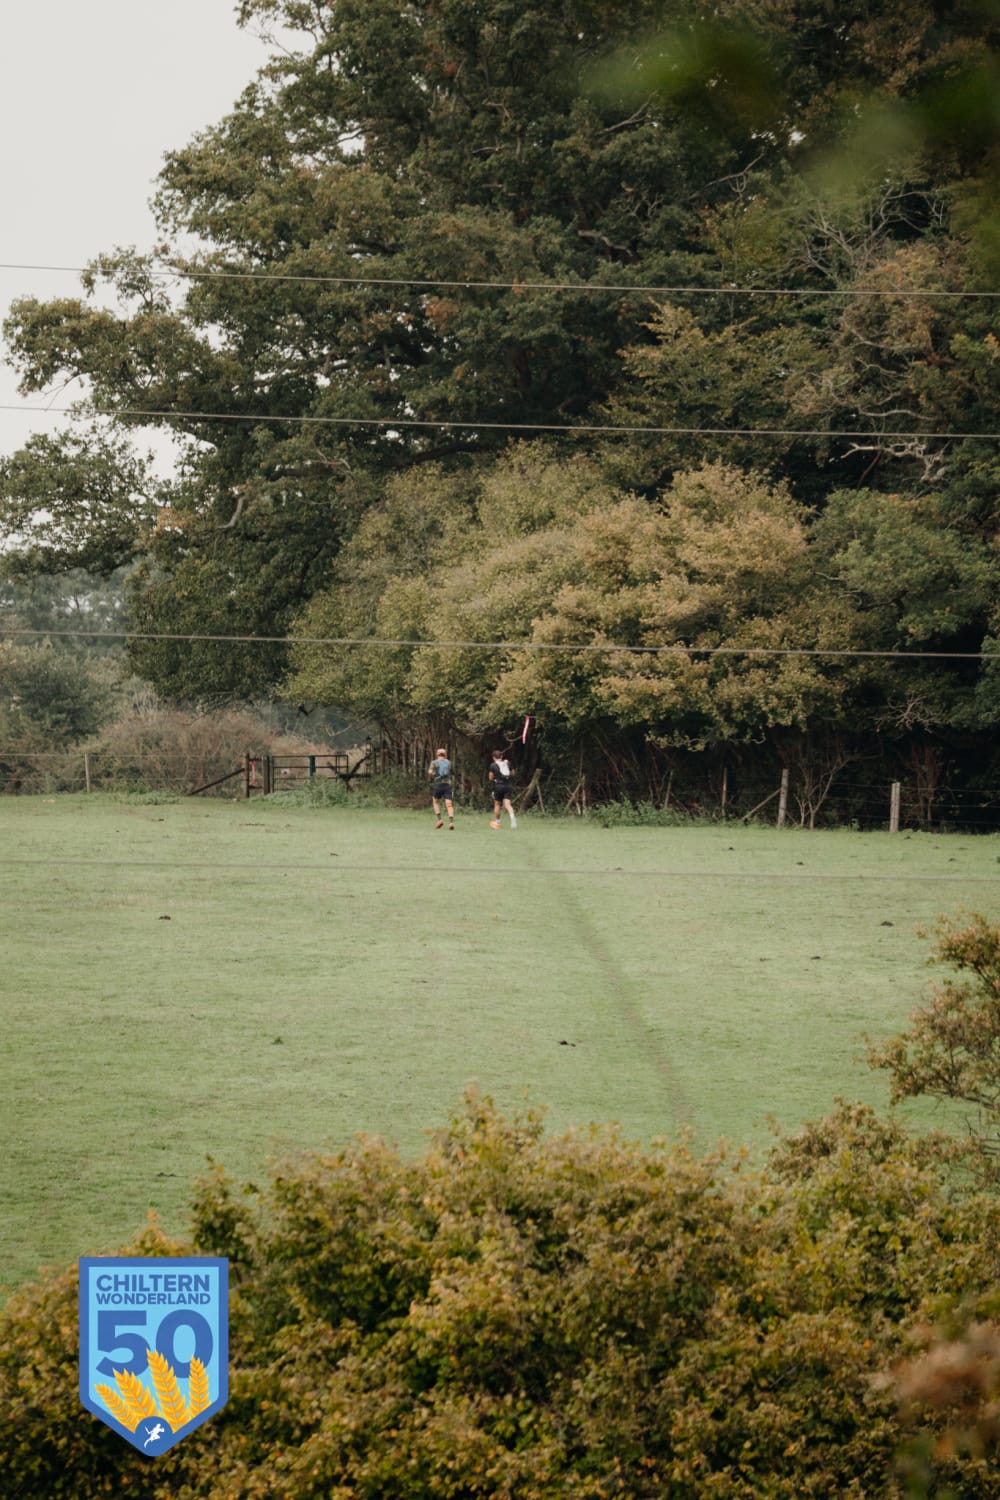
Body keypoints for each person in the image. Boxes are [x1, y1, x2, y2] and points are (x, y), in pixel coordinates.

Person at [489, 750, 517, 829]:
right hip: (508, 786)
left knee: (497, 804)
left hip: (498, 786)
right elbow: (513, 773)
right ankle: (513, 819)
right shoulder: (507, 763)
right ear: (501, 756)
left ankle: (497, 822)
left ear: (493, 757)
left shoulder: (493, 765)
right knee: (508, 804)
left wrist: (496, 778)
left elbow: (490, 777)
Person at [428, 748, 455, 830]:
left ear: (437, 754)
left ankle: (440, 820)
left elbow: (430, 772)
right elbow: (452, 773)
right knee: (449, 804)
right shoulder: (449, 763)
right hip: (447, 785)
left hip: (438, 785)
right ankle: (451, 822)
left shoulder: (434, 762)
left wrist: (433, 775)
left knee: (435, 802)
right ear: (445, 755)